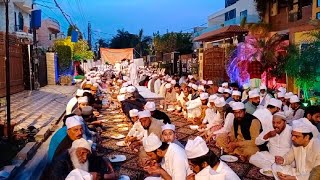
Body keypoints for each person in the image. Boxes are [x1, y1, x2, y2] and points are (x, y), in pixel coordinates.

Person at [48, 138, 116, 180]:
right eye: (82, 153)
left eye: (87, 154)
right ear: (74, 150)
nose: (85, 157)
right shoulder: (60, 162)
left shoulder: (84, 154)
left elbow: (97, 160)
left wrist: (106, 162)